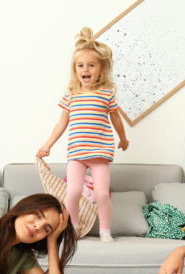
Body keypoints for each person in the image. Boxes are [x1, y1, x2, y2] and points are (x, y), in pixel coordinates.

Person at [37, 27, 129, 242]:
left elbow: (116, 119)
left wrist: (123, 139)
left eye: (91, 65)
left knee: (100, 195)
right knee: (73, 192)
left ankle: (105, 230)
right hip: (77, 155)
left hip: (100, 155)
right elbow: (62, 123)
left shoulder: (106, 94)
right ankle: (73, 229)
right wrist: (48, 145)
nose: (85, 69)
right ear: (75, 69)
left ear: (101, 69)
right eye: (80, 65)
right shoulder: (72, 95)